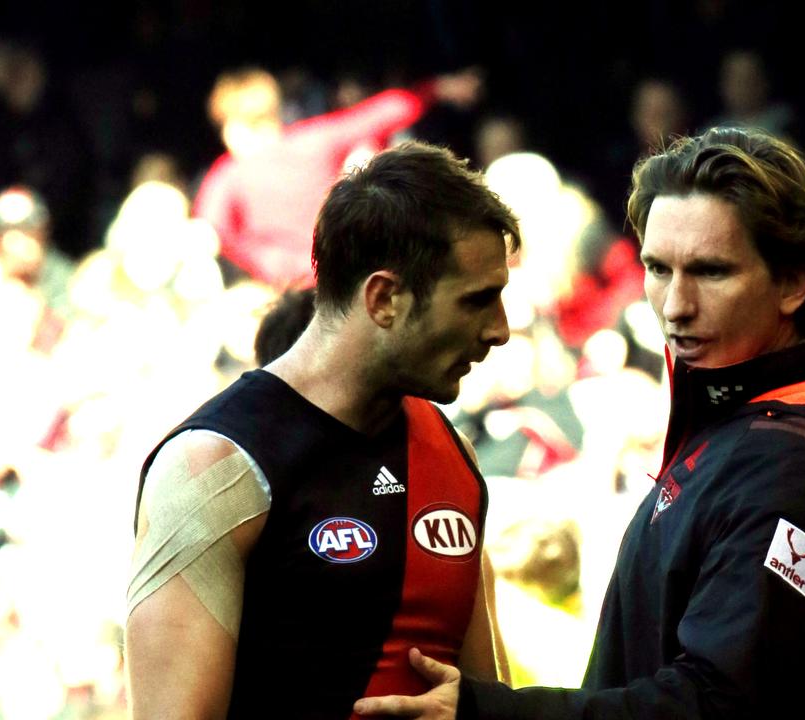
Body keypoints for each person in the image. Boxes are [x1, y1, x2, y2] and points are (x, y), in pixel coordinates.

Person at [355, 127, 805, 718]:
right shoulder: (758, 414)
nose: (674, 307)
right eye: (657, 269)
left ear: (794, 282)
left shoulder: (797, 462)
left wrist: (488, 714)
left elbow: (714, 706)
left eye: (710, 271)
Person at [125, 141, 520, 719]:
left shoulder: (450, 453)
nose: (500, 330)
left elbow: (491, 703)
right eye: (477, 300)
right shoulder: (214, 467)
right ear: (384, 298)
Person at [194, 66, 482, 288]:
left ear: (230, 122)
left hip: (301, 285)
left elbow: (211, 229)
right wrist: (437, 88)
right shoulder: (315, 139)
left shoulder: (228, 173)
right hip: (343, 275)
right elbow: (386, 111)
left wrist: (267, 262)